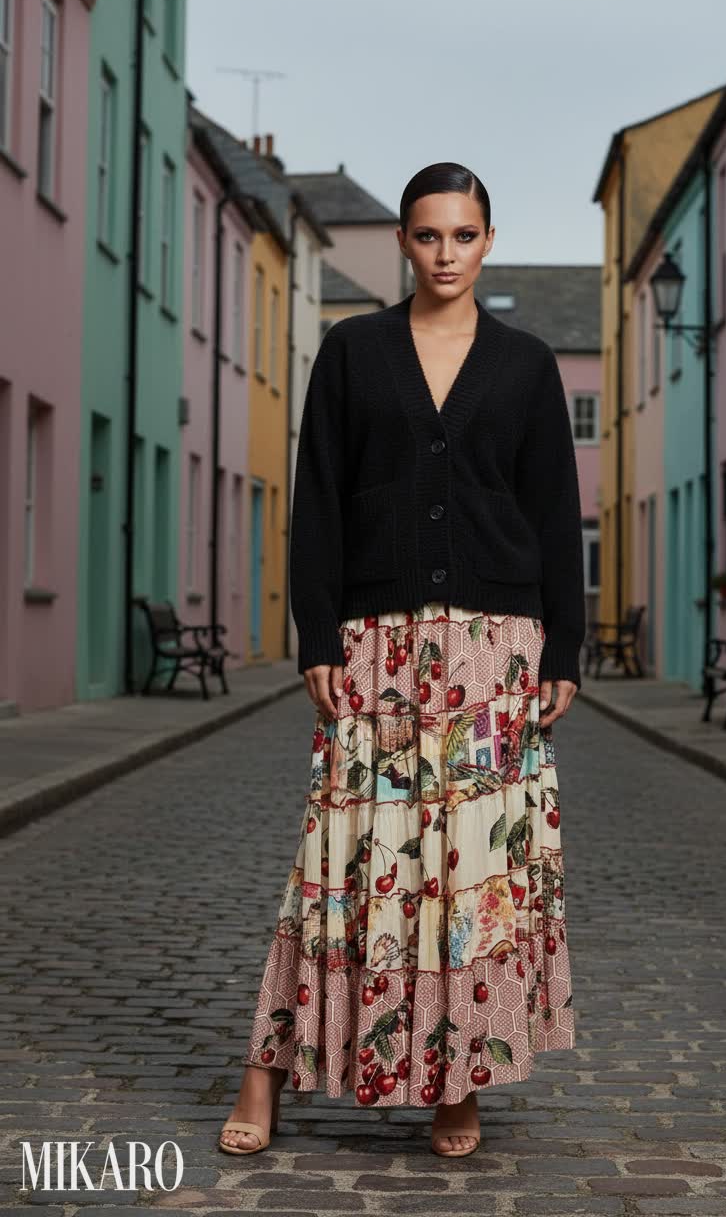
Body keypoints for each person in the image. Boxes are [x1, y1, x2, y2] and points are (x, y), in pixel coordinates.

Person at [219, 161, 585, 1159]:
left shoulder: (523, 364)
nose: (445, 254)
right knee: (341, 862)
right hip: (375, 649)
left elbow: (554, 511)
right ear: (403, 245)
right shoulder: (352, 350)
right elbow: (319, 500)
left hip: (494, 655)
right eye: (428, 236)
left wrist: (568, 643)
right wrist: (313, 631)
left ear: (488, 241)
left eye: (463, 236)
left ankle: (457, 1080)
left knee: (471, 878)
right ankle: (269, 1068)